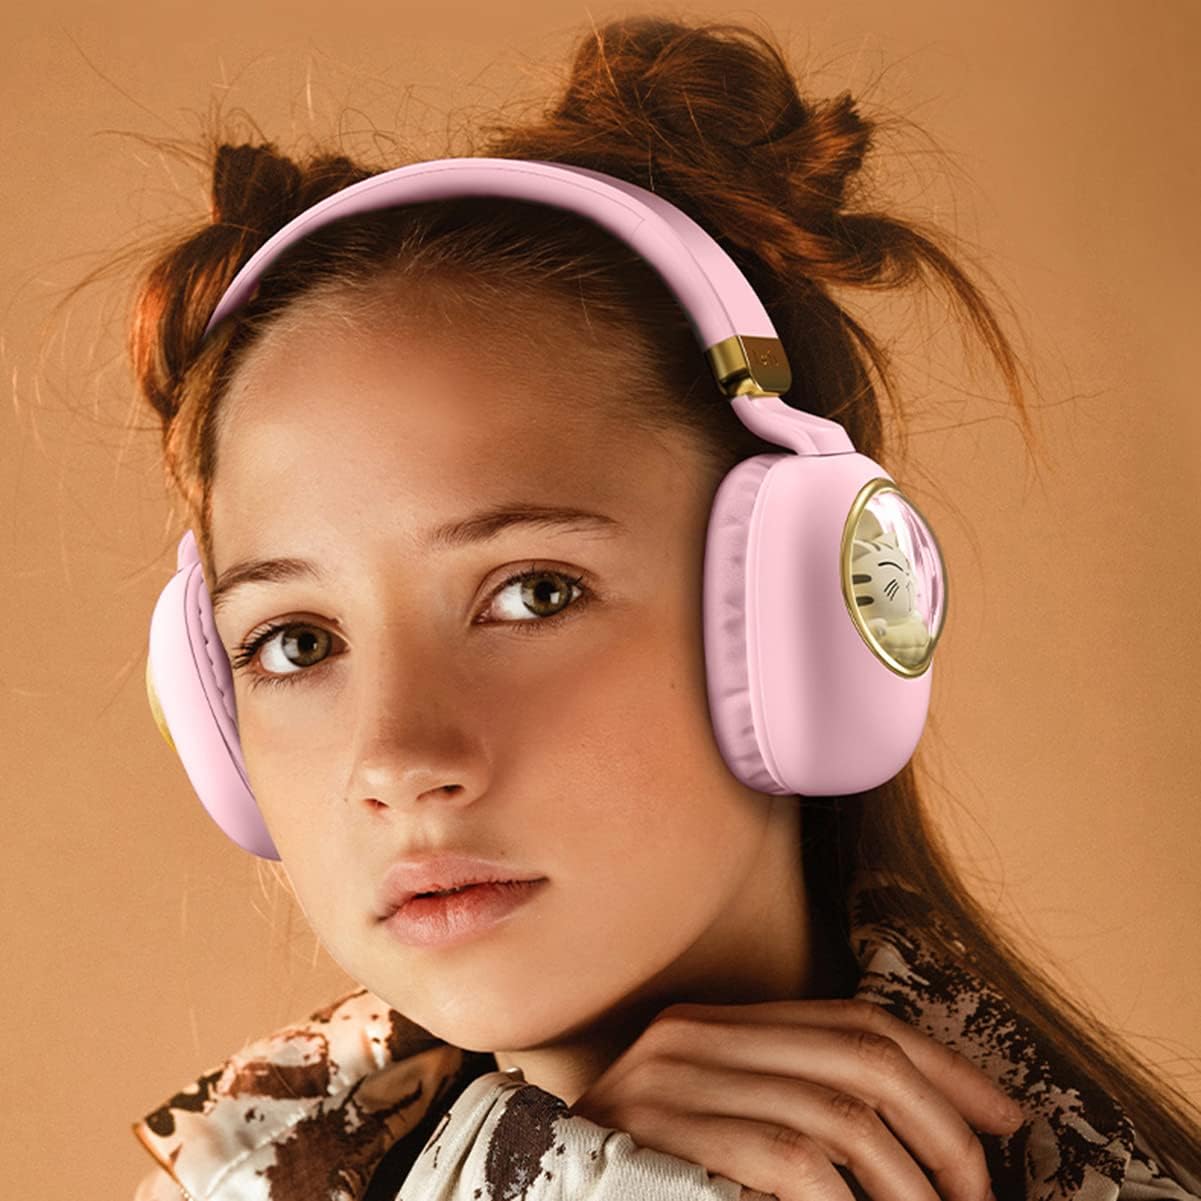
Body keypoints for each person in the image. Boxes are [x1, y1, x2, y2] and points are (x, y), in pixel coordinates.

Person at [114, 15, 1201, 1201]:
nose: (397, 760)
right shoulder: (266, 1156)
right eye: (295, 642)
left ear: (807, 614)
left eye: (533, 593)